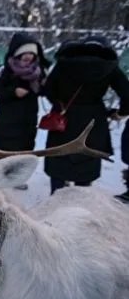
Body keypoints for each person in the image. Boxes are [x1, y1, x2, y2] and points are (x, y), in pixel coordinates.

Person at [43, 36, 129, 194]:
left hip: (64, 120)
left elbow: (48, 89)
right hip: (93, 120)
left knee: (59, 159)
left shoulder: (65, 62)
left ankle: (54, 201)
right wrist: (119, 113)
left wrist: (59, 102)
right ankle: (81, 203)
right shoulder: (108, 66)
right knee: (86, 161)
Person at [0, 33, 51, 190]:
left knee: (25, 145)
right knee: (3, 145)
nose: (29, 57)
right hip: (7, 117)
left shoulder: (39, 71)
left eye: (32, 53)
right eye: (25, 53)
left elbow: (44, 92)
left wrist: (44, 86)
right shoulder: (6, 70)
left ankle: (18, 178)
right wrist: (13, 91)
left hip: (27, 117)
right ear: (17, 53)